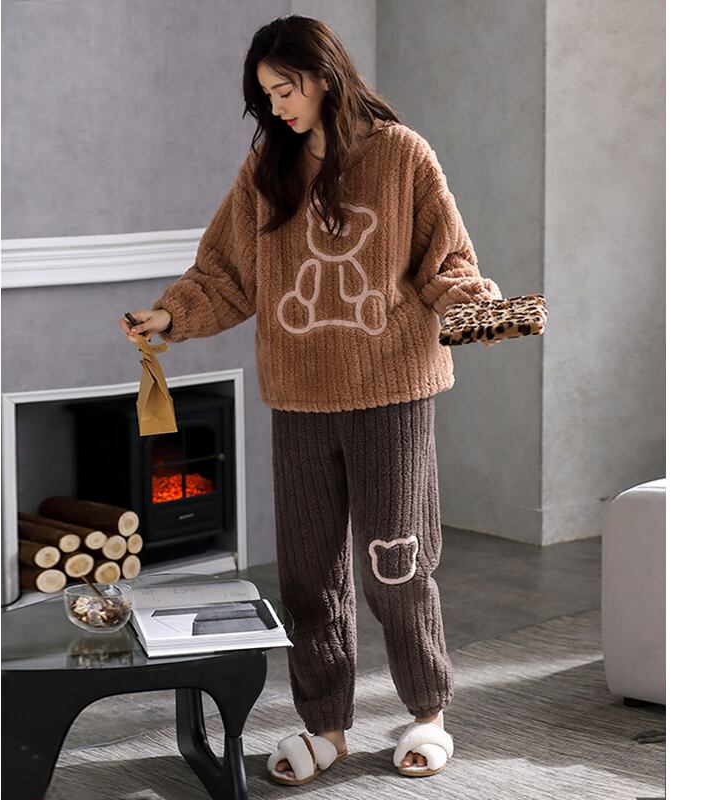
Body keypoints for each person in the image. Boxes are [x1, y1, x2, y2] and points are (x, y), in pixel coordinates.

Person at [118, 14, 503, 784]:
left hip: (390, 392)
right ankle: (326, 727)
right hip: (299, 399)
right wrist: (171, 316)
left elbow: (446, 262)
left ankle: (427, 712)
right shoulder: (267, 169)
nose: (278, 106)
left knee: (396, 564)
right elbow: (227, 272)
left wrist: (480, 310)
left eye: (286, 88)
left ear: (325, 75)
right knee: (307, 576)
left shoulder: (401, 155)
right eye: (266, 95)